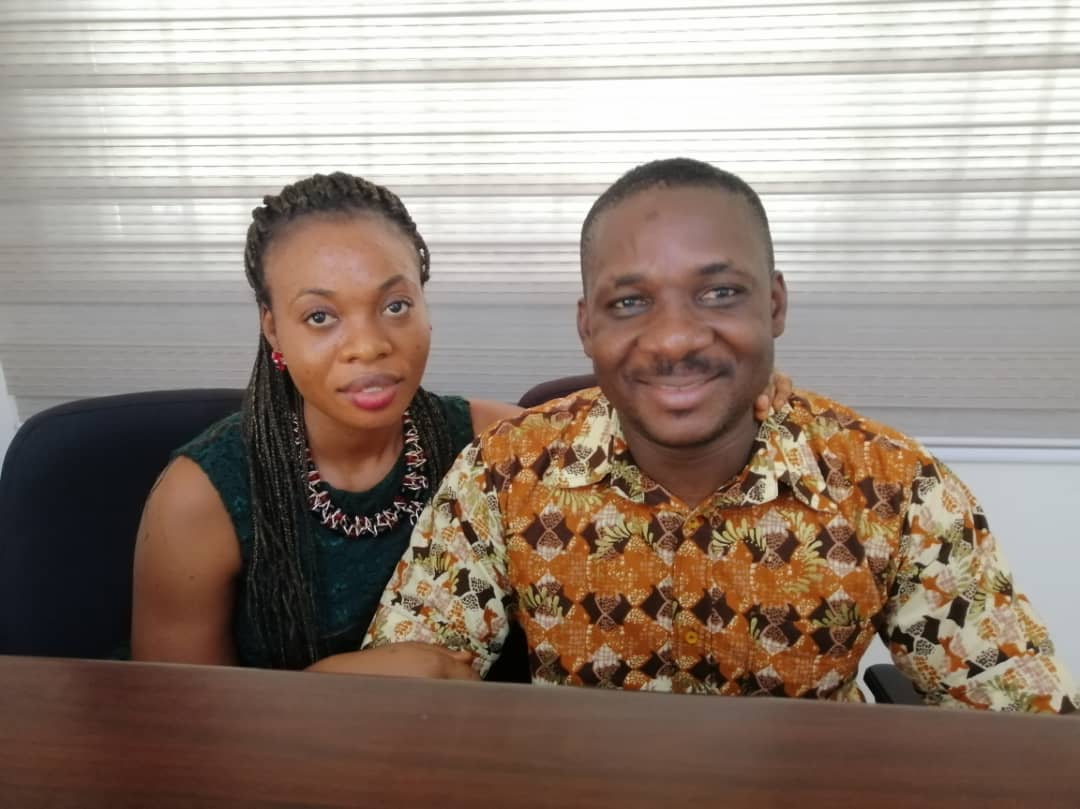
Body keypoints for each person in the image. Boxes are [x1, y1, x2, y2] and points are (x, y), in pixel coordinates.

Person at [363, 158, 1078, 712]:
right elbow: (409, 676)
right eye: (630, 302)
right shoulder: (503, 472)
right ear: (586, 326)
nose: (674, 338)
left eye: (719, 293)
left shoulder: (895, 488)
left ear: (775, 303)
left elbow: (1024, 721)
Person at [130, 169, 794, 675]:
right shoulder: (203, 498)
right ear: (273, 327)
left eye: (395, 305)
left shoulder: (495, 448)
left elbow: (651, 423)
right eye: (321, 317)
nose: (368, 345)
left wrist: (739, 389)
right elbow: (181, 723)